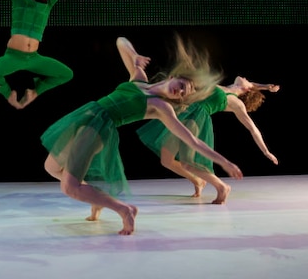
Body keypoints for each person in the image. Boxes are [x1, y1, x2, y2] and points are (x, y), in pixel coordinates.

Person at [41, 36, 243, 236]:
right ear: (173, 77)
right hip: (84, 118)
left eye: (183, 93)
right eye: (182, 85)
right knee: (51, 167)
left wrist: (224, 162)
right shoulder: (139, 79)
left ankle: (124, 209)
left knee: (69, 186)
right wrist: (134, 55)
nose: (180, 91)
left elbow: (192, 140)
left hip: (97, 128)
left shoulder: (161, 107)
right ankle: (97, 198)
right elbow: (120, 41)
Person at [136, 76, 280, 204]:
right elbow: (251, 85)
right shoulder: (227, 88)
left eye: (248, 81)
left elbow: (252, 129)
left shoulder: (236, 102)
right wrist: (266, 86)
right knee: (166, 160)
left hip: (196, 118)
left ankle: (222, 187)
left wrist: (266, 151)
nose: (246, 78)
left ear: (247, 90)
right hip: (185, 112)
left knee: (188, 162)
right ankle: (197, 180)